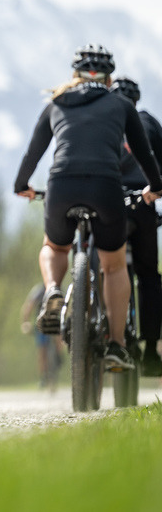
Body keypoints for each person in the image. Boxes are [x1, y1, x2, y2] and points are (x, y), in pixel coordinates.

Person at [14, 45, 162, 372]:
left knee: (55, 246)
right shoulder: (121, 105)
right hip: (105, 188)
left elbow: (33, 153)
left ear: (74, 75)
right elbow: (144, 154)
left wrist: (21, 184)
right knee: (114, 265)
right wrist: (155, 186)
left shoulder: (56, 103)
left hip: (61, 186)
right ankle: (117, 345)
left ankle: (53, 290)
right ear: (109, 79)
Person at [110, 76, 162, 376]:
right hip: (143, 204)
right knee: (149, 276)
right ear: (136, 101)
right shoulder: (149, 122)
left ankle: (102, 329)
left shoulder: (104, 120)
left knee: (106, 266)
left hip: (108, 202)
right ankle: (151, 351)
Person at [19, 283, 64, 391]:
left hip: (55, 321)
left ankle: (58, 355)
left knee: (59, 335)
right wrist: (25, 322)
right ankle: (43, 376)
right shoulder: (39, 291)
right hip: (41, 322)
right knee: (42, 350)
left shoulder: (59, 289)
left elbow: (68, 307)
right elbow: (29, 305)